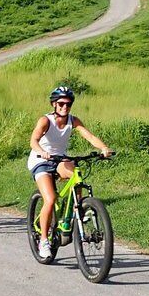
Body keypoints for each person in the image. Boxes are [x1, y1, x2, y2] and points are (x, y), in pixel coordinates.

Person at [28, 85, 112, 258]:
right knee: (50, 199)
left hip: (59, 159)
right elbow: (33, 140)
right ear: (54, 104)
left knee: (77, 175)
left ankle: (78, 210)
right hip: (41, 160)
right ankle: (43, 239)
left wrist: (103, 147)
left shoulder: (73, 120)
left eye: (68, 104)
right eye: (61, 103)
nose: (65, 107)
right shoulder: (45, 120)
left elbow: (89, 136)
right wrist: (41, 152)